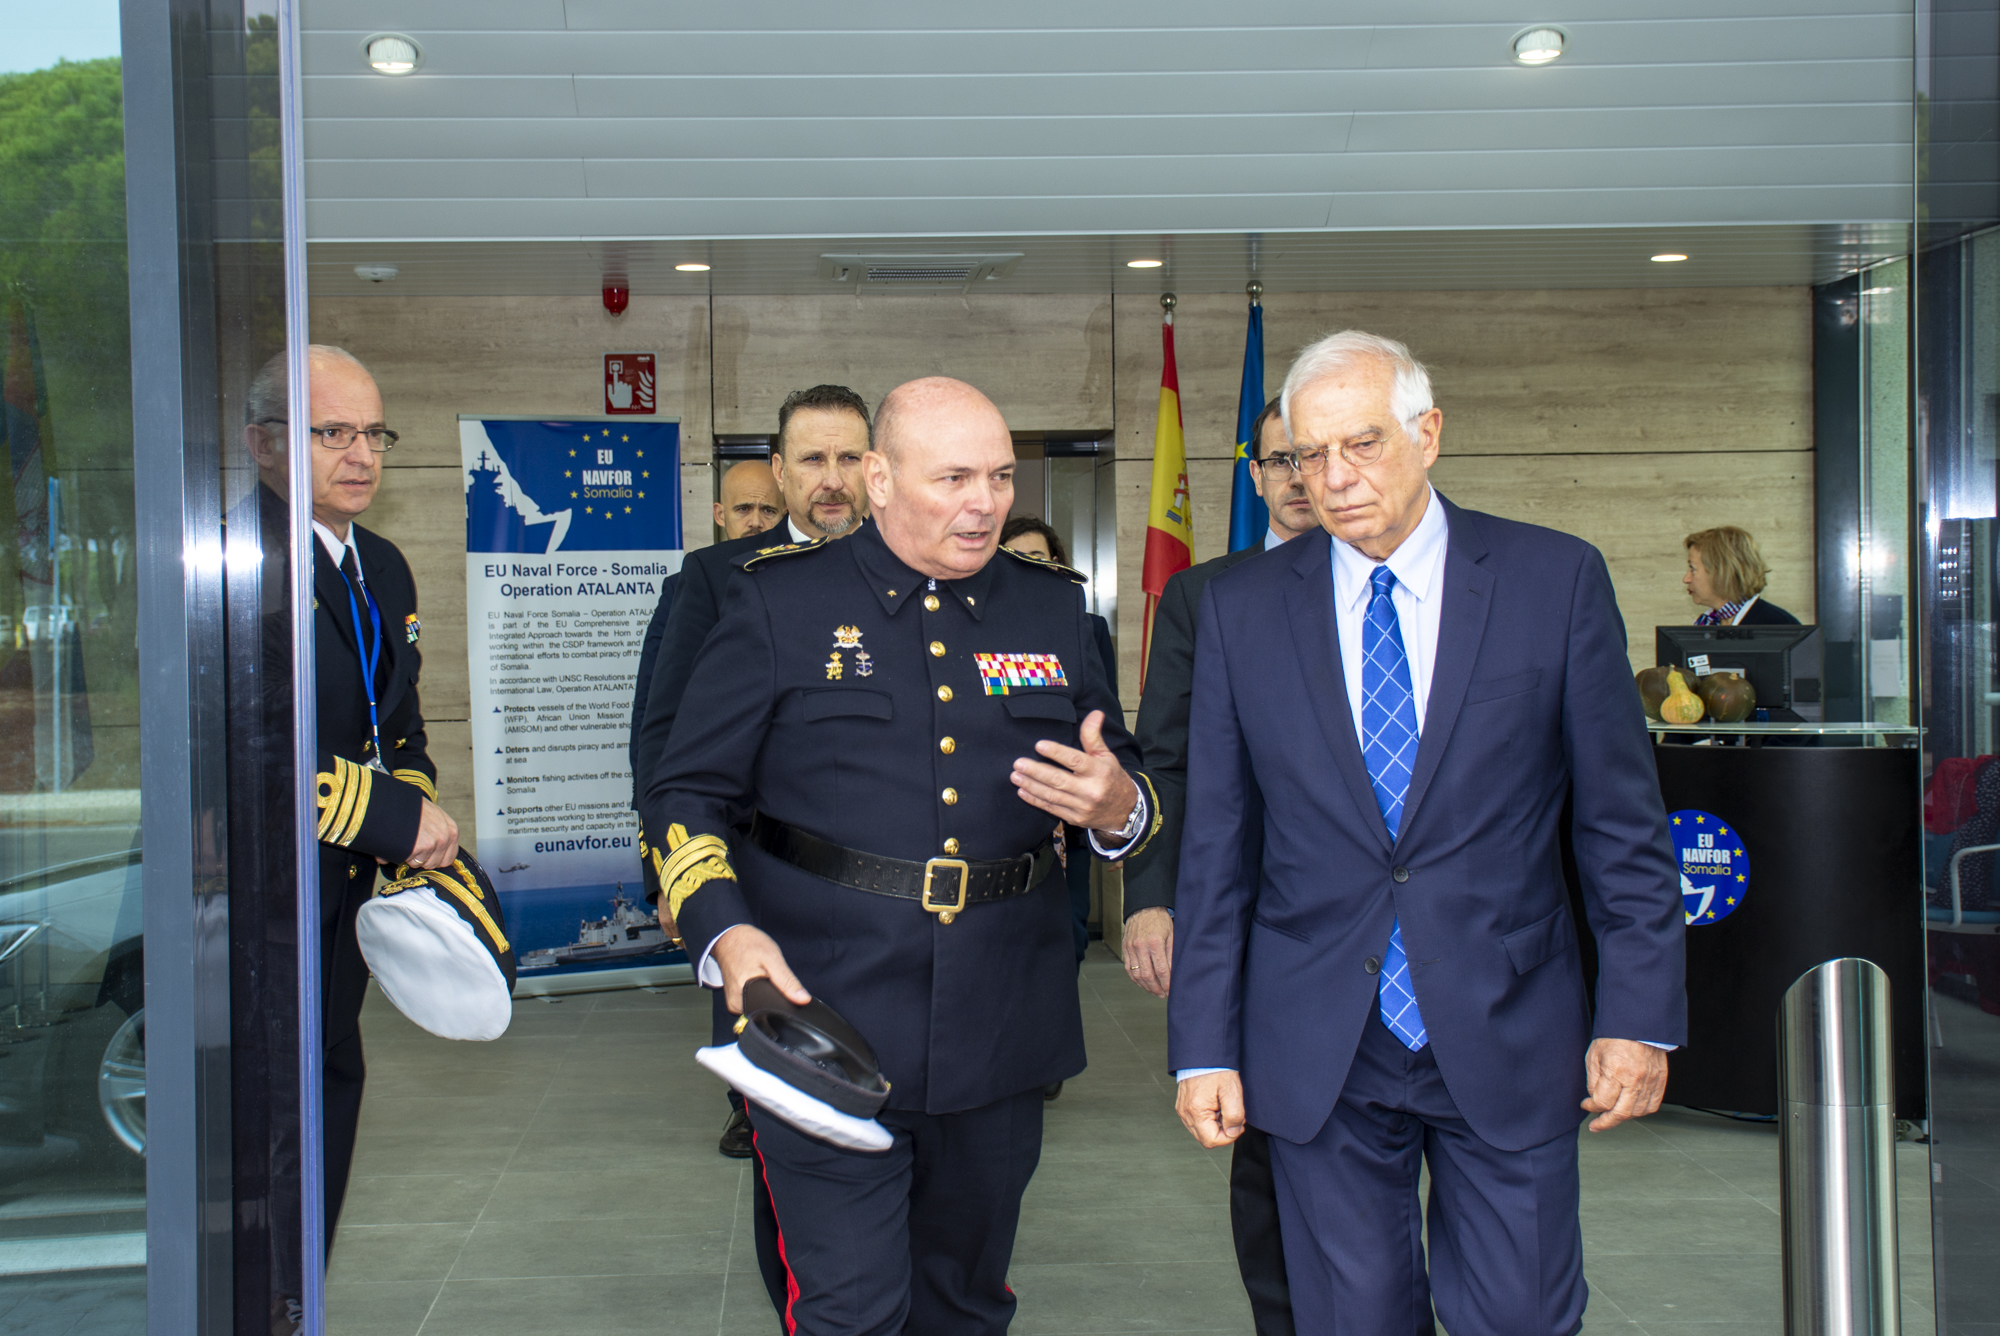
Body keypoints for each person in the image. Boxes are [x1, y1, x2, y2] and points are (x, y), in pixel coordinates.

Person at [1168, 331, 1685, 1335]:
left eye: (1359, 444)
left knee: (1518, 1316)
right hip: (1318, 1039)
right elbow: (1217, 845)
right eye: (1306, 456)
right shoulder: (1238, 609)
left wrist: (1637, 1012)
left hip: (1508, 1018)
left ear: (1427, 433)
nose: (1332, 477)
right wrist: (1201, 1044)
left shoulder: (1552, 580)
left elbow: (1619, 822)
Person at [642, 376, 1156, 1336]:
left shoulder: (1051, 613)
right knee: (852, 1308)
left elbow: (1123, 778)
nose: (986, 502)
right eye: (954, 476)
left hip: (1002, 1019)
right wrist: (725, 931)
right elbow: (685, 791)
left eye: (1000, 477)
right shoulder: (776, 608)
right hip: (821, 1012)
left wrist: (1116, 804)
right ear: (878, 479)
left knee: (963, 1301)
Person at [242, 344, 461, 1239]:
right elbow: (250, 747)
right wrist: (397, 818)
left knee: (333, 1085)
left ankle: (303, 1297)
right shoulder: (237, 561)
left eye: (374, 433)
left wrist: (410, 799)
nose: (361, 454)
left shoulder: (383, 563)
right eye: (332, 432)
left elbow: (398, 718)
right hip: (272, 891)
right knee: (275, 1129)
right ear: (263, 443)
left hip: (349, 890)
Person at [1122, 395, 1308, 1336]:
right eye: (1280, 461)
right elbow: (1167, 759)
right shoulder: (1206, 595)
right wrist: (1151, 900)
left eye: (1318, 457)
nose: (1302, 478)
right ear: (1257, 474)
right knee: (1273, 1162)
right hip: (1264, 928)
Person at [998, 514, 1117, 991]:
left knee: (1066, 940)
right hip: (1003, 813)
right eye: (1018, 558)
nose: (1031, 568)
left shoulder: (1083, 628)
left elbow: (1103, 723)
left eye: (1041, 559)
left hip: (1067, 817)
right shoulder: (974, 629)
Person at [629, 459, 783, 789]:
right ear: (719, 513)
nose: (755, 522)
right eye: (743, 509)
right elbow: (654, 704)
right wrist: (650, 805)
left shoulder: (805, 582)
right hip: (712, 789)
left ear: (784, 514)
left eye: (768, 510)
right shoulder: (685, 584)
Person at [1683, 525, 1799, 626]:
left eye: (1692, 569)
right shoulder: (1706, 623)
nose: (1686, 579)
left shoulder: (1777, 625)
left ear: (1721, 573)